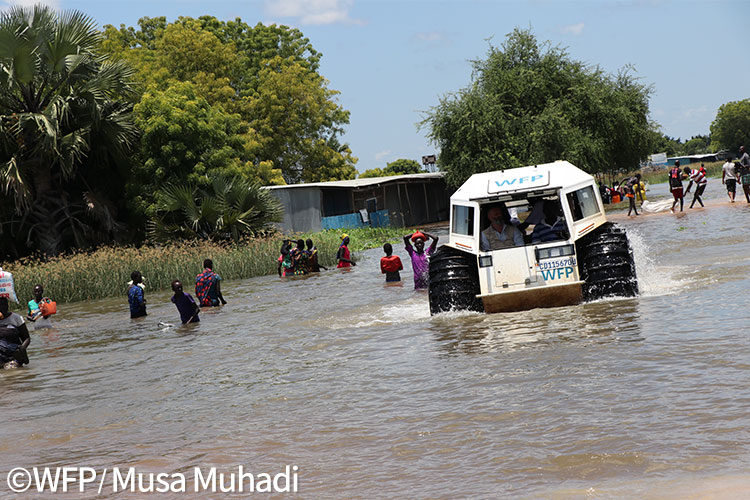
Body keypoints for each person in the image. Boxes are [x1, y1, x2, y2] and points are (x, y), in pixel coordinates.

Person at [0, 297, 30, 369]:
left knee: (13, 372)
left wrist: (21, 349)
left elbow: (26, 338)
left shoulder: (16, 318)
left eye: (5, 305)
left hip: (13, 357)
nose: (3, 307)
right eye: (0, 305)